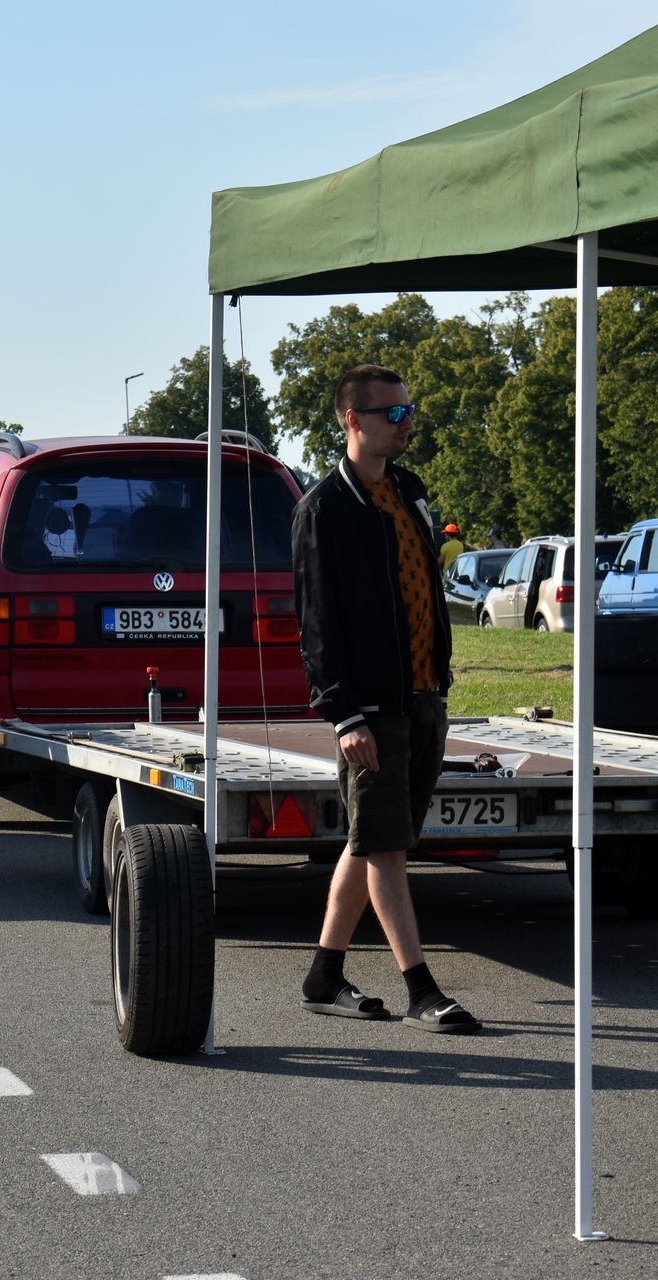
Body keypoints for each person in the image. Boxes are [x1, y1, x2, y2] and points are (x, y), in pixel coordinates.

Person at [291, 364, 481, 1034]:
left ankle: (323, 975)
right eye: (392, 414)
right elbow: (317, 624)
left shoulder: (408, 491)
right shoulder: (323, 509)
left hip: (423, 697)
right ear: (353, 419)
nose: (406, 424)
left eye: (409, 412)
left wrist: (436, 687)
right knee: (387, 848)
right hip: (370, 709)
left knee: (374, 840)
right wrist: (344, 714)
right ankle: (421, 990)